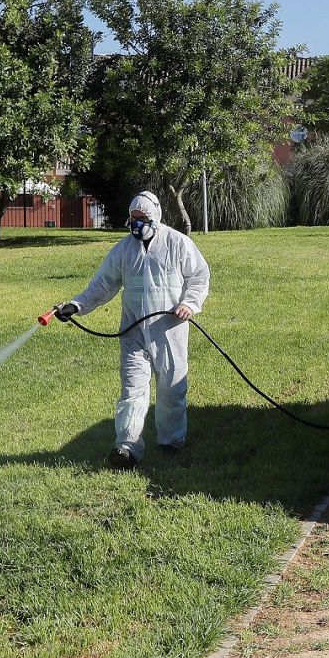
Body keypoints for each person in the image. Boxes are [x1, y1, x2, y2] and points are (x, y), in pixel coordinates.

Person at [52, 191, 210, 468]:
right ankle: (126, 448)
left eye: (143, 219)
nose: (136, 224)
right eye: (133, 219)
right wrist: (76, 306)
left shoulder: (177, 243)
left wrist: (189, 303)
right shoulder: (124, 250)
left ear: (156, 217)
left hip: (169, 329)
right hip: (133, 333)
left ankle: (171, 441)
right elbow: (102, 285)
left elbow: (199, 275)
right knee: (132, 391)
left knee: (172, 388)